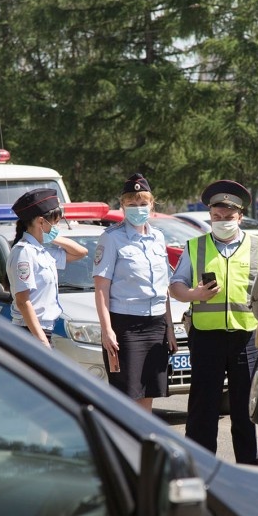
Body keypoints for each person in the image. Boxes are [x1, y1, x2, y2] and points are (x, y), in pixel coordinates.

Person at [169, 180, 258, 465]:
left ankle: (247, 471)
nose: (222, 222)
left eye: (228, 217)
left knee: (244, 410)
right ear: (210, 215)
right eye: (217, 217)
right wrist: (192, 294)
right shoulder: (195, 246)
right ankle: (199, 468)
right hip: (206, 337)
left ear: (240, 217)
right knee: (202, 409)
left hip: (245, 337)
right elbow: (175, 284)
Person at [93, 173, 177, 412]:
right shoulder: (111, 238)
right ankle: (122, 446)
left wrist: (169, 327)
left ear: (152, 204)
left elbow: (164, 289)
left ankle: (143, 445)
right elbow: (101, 288)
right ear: (122, 206)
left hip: (156, 324)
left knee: (148, 394)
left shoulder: (158, 237)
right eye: (131, 204)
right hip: (126, 326)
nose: (138, 208)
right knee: (126, 396)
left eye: (142, 203)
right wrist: (107, 330)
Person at [7, 188, 87, 348]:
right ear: (41, 221)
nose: (57, 227)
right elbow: (23, 302)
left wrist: (54, 237)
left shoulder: (42, 250)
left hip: (43, 331)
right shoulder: (24, 252)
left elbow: (81, 253)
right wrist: (41, 340)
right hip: (30, 333)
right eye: (55, 223)